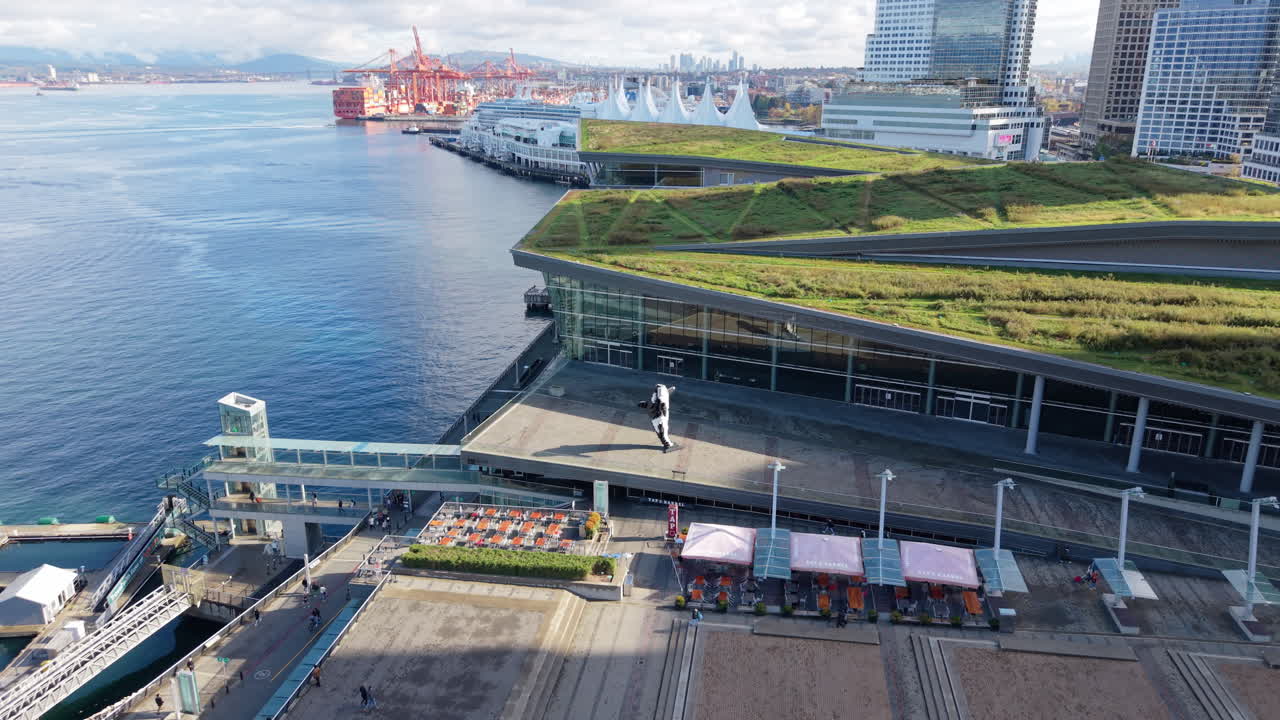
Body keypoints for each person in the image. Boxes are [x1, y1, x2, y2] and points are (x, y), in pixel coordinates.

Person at [638, 383, 677, 452]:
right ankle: (667, 444)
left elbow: (658, 400)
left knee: (661, 432)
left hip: (658, 417)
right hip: (657, 418)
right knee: (661, 432)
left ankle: (667, 444)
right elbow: (657, 402)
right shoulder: (657, 399)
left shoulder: (657, 400)